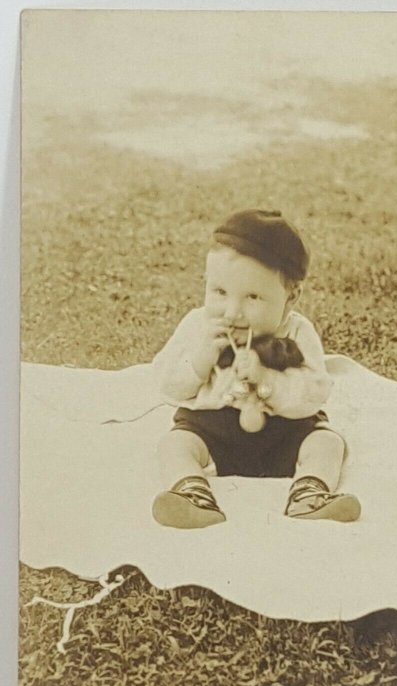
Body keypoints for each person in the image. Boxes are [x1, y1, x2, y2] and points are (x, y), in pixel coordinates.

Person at [151, 209, 361, 529]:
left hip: (285, 432)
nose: (233, 312)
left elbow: (315, 393)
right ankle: (192, 493)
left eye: (252, 297)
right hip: (211, 430)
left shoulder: (297, 332)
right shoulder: (199, 327)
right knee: (174, 444)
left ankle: (310, 492)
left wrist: (268, 380)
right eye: (219, 293)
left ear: (291, 298)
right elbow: (167, 385)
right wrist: (199, 360)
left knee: (328, 443)